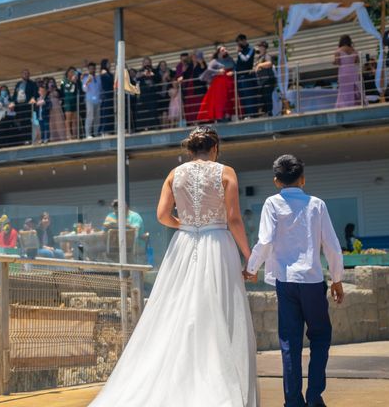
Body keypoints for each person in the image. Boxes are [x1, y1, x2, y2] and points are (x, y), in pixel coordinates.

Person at [90, 126, 258, 406]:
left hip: (183, 244)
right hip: (217, 244)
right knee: (219, 310)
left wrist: (187, 225)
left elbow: (162, 216)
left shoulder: (174, 175)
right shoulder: (226, 172)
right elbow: (234, 219)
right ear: (214, 148)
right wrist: (249, 257)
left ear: (190, 150)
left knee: (176, 307)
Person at [245, 154, 344, 407]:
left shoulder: (271, 203)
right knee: (320, 336)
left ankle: (292, 401)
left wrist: (252, 267)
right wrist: (337, 279)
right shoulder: (317, 204)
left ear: (276, 181)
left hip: (285, 281)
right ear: (302, 179)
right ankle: (314, 396)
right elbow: (331, 245)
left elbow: (265, 240)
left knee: (289, 342)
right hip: (312, 280)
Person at [197, 45, 237, 122]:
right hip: (219, 84)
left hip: (229, 83)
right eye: (223, 50)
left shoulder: (230, 59)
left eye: (225, 49)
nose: (225, 50)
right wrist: (217, 72)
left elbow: (235, 67)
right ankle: (220, 117)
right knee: (220, 100)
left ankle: (228, 115)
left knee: (229, 100)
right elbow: (209, 70)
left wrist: (233, 72)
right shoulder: (214, 61)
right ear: (218, 52)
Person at [333, 35, 361, 108]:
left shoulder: (338, 51)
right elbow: (357, 61)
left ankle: (345, 105)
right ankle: (355, 104)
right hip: (353, 71)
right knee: (354, 87)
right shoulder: (354, 50)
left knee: (344, 89)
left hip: (343, 71)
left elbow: (337, 62)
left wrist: (333, 62)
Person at [235, 34, 259, 118]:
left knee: (249, 96)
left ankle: (251, 114)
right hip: (240, 78)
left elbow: (246, 59)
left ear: (244, 40)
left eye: (239, 41)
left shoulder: (251, 49)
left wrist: (239, 53)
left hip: (247, 77)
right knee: (242, 97)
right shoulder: (241, 51)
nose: (238, 43)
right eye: (237, 42)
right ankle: (246, 115)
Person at [13, 69, 38, 144]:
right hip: (19, 106)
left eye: (27, 73)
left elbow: (35, 93)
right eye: (24, 73)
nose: (26, 75)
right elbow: (15, 95)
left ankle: (29, 139)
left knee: (27, 122)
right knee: (22, 123)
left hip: (27, 105)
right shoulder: (18, 84)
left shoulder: (32, 84)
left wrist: (33, 98)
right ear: (21, 75)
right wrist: (13, 102)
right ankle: (23, 140)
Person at [135, 57, 158, 131]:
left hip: (152, 95)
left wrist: (151, 74)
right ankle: (144, 128)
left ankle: (153, 127)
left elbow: (158, 78)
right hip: (143, 96)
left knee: (153, 112)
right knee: (143, 113)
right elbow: (136, 78)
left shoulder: (154, 70)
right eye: (145, 62)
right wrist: (143, 74)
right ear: (143, 64)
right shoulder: (140, 71)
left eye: (148, 62)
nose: (147, 64)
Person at [254, 41, 276, 116]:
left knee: (267, 98)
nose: (258, 48)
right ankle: (265, 113)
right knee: (262, 98)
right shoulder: (259, 57)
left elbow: (269, 63)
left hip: (267, 80)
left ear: (263, 47)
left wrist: (260, 65)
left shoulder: (267, 56)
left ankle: (270, 113)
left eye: (259, 46)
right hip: (262, 82)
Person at [82, 62, 102, 138]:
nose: (92, 70)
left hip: (98, 100)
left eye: (93, 68)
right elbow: (84, 89)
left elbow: (100, 88)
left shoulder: (98, 78)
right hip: (89, 100)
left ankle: (96, 133)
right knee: (90, 117)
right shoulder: (85, 78)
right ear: (88, 69)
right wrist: (87, 82)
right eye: (90, 69)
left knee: (97, 117)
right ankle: (88, 134)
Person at [60, 67, 81, 140]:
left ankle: (75, 134)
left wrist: (77, 81)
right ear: (68, 73)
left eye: (74, 72)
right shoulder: (63, 80)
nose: (72, 73)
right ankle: (68, 134)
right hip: (67, 101)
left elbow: (79, 89)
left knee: (75, 118)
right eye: (71, 72)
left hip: (74, 101)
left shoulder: (77, 81)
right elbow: (64, 89)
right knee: (68, 119)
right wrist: (72, 82)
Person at [174, 53, 194, 125]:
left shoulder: (191, 65)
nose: (184, 61)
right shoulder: (179, 66)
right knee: (185, 106)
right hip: (183, 89)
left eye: (186, 59)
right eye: (183, 60)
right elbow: (177, 76)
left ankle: (193, 121)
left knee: (192, 105)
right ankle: (188, 122)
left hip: (191, 88)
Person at [47, 77, 66, 142]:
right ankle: (53, 138)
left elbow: (61, 96)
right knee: (52, 123)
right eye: (50, 82)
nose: (51, 83)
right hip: (51, 109)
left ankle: (62, 137)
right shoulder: (47, 92)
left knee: (59, 122)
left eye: (52, 82)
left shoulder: (58, 90)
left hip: (57, 108)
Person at [99, 59, 115, 135]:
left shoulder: (109, 73)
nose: (110, 64)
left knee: (110, 112)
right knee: (106, 113)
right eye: (108, 63)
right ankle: (104, 130)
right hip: (106, 95)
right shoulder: (103, 72)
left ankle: (110, 130)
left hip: (111, 95)